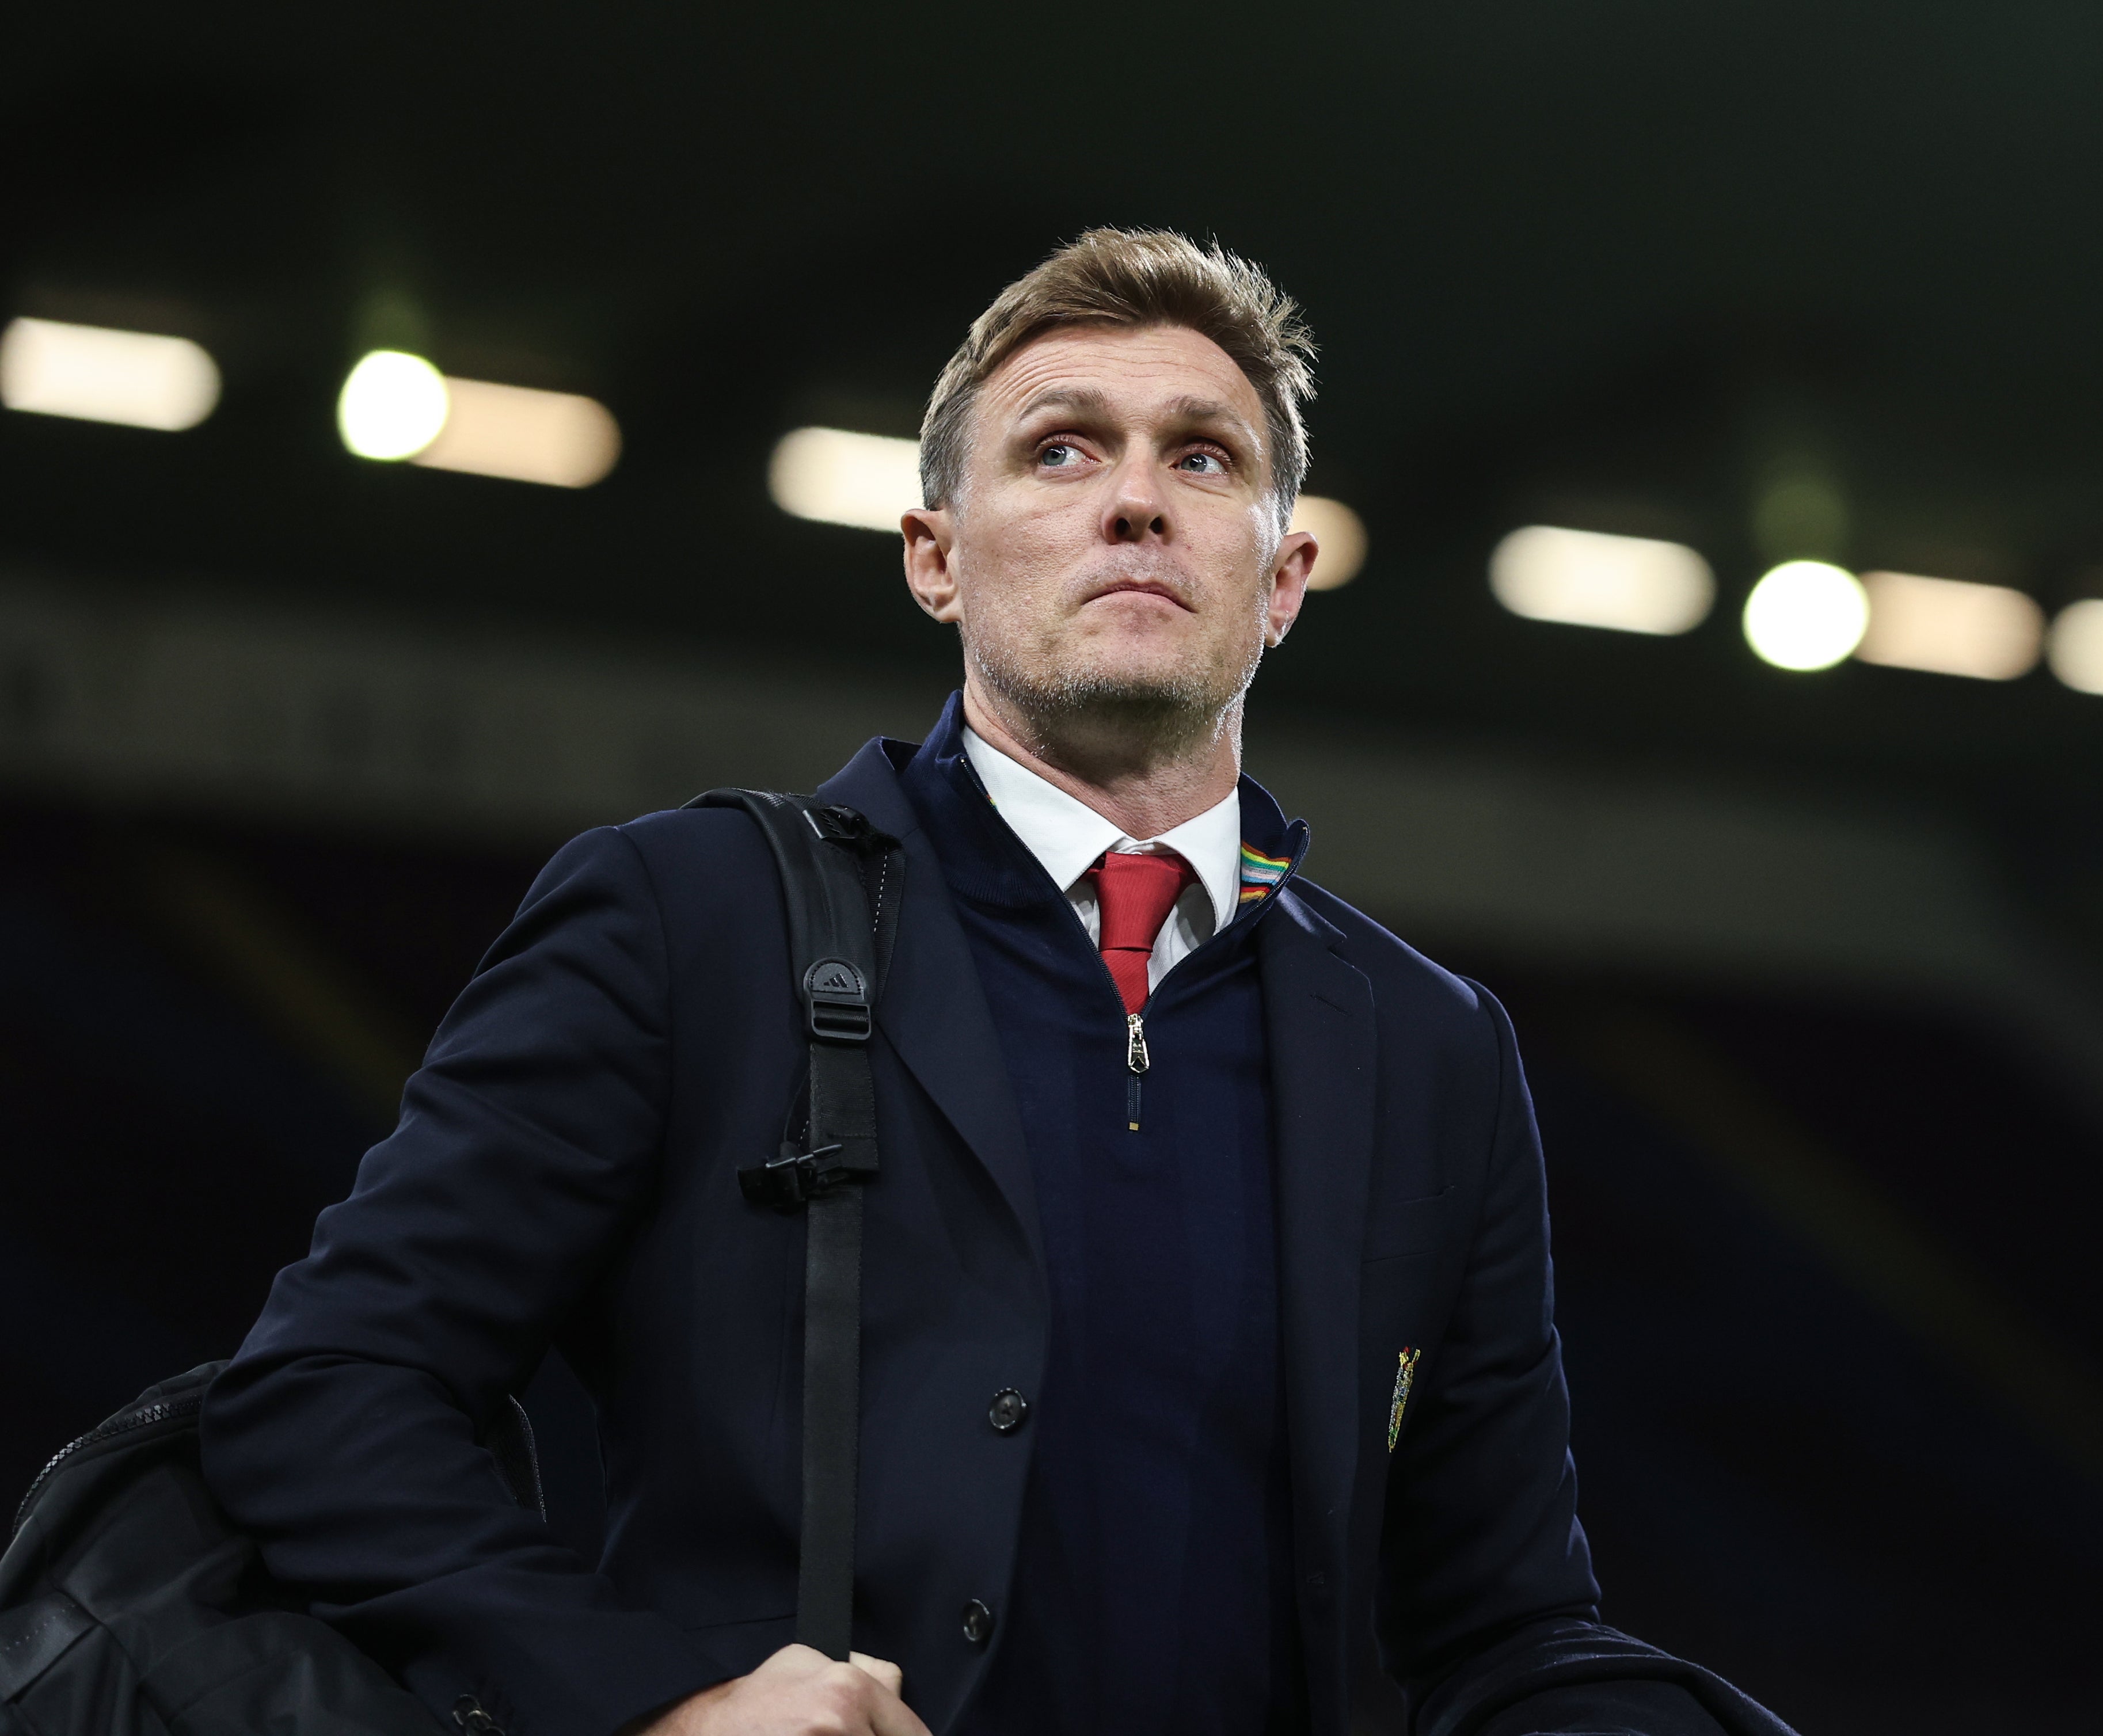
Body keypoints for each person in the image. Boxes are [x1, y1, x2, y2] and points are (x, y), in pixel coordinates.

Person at [202, 229, 1791, 1736]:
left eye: (1203, 455)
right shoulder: (690, 921)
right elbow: (332, 1394)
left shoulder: (1430, 1046)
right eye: (1060, 447)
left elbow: (1499, 1620)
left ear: (1284, 577)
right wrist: (651, 1694)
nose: (1137, 501)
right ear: (935, 559)